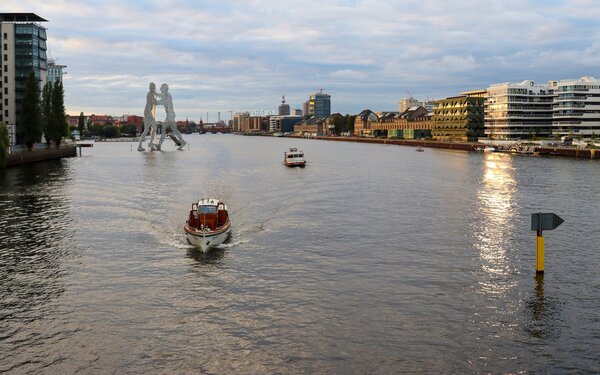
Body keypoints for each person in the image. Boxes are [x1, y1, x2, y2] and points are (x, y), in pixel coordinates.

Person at [156, 83, 187, 150]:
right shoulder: (167, 96)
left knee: (163, 129)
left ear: (164, 89)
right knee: (174, 130)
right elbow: (157, 102)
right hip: (171, 115)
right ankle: (183, 142)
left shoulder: (167, 96)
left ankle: (159, 145)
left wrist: (153, 93)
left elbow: (158, 101)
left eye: (162, 88)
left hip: (170, 115)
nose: (161, 89)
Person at [137, 82, 157, 151]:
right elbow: (153, 102)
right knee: (147, 130)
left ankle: (150, 144)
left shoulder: (152, 94)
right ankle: (140, 146)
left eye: (154, 87)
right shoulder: (150, 94)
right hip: (148, 113)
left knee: (153, 128)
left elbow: (154, 102)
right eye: (153, 87)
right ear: (150, 88)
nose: (154, 88)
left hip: (148, 112)